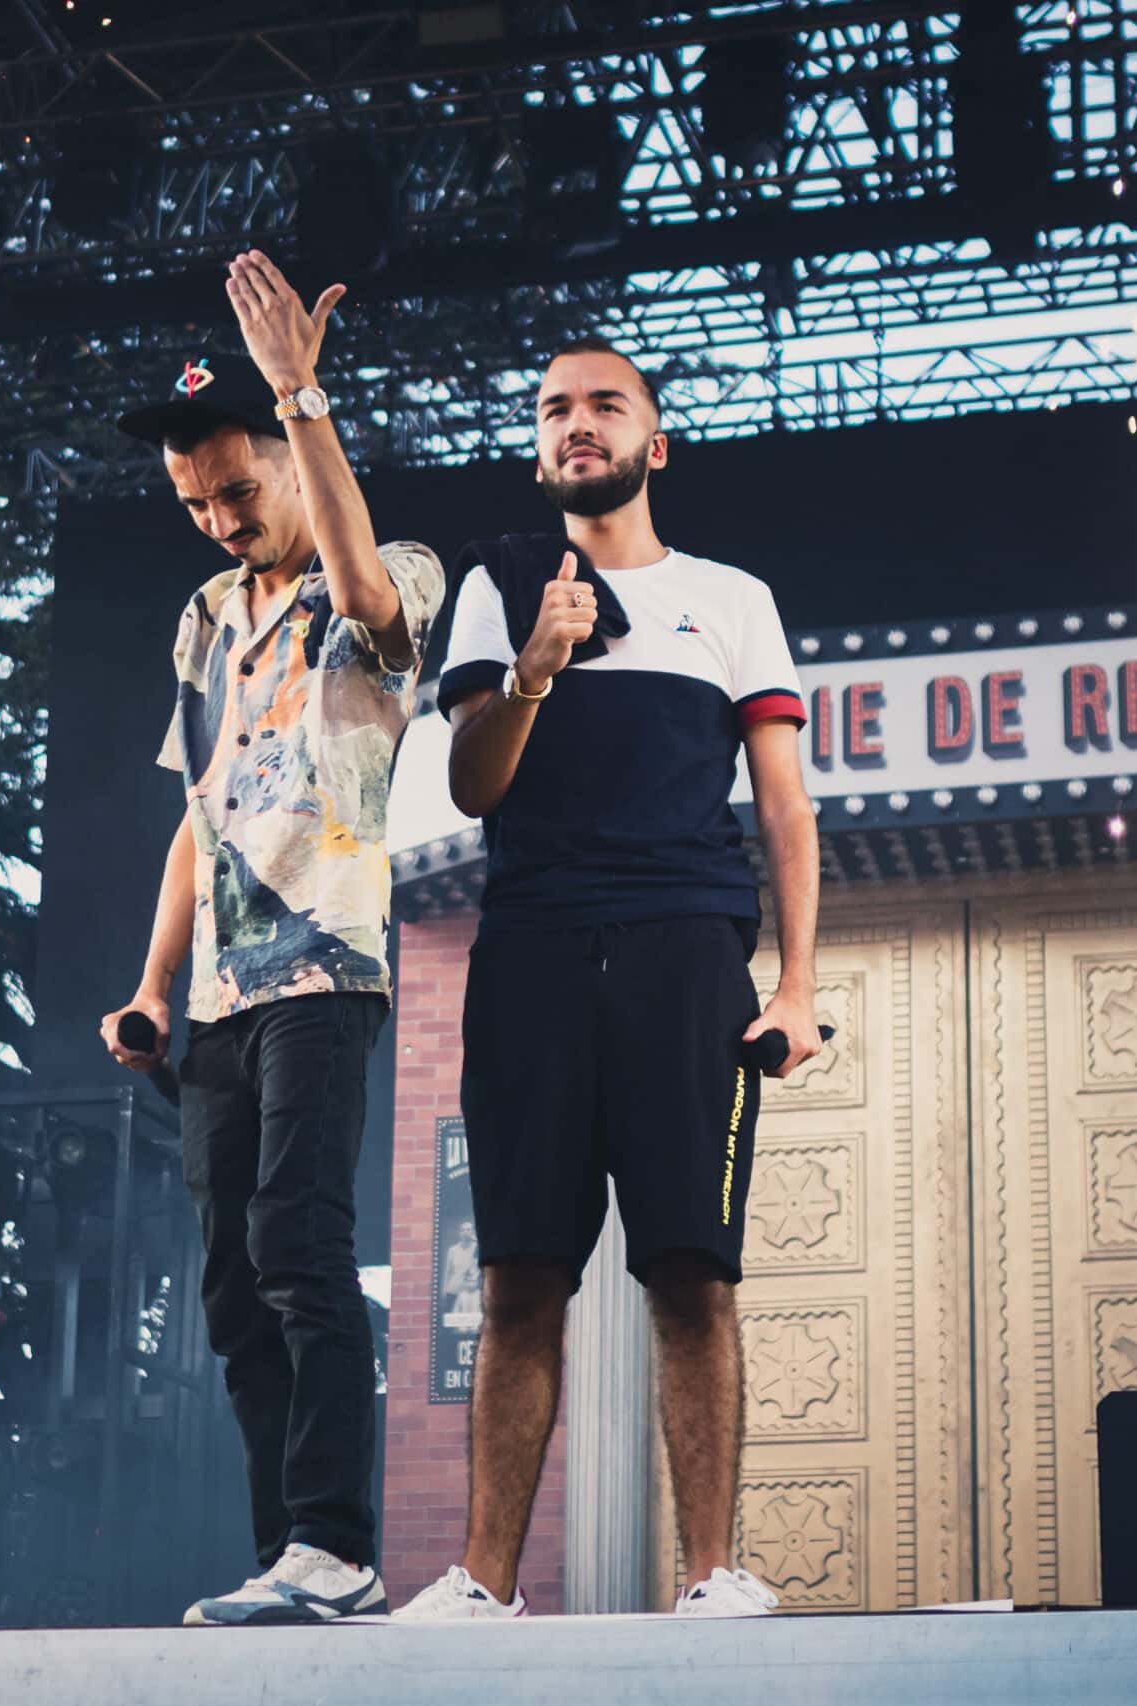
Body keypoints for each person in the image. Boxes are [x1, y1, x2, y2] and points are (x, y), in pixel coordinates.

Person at [394, 336, 823, 1622]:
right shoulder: (496, 586)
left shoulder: (730, 597)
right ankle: (481, 1581)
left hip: (683, 944)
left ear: (655, 441)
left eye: (604, 406)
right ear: (538, 448)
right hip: (528, 948)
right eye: (553, 410)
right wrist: (534, 666)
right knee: (521, 1274)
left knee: (690, 1267)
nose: (576, 424)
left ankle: (711, 1572)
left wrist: (794, 984)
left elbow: (785, 808)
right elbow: (474, 786)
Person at [101, 249, 444, 1626]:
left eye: (240, 491)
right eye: (196, 502)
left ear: (296, 470)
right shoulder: (199, 620)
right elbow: (196, 809)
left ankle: (337, 1543)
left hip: (327, 963)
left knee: (302, 1244)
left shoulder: (382, 566)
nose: (220, 518)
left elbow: (367, 600)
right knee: (235, 1286)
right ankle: (284, 1558)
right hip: (222, 999)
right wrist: (147, 984)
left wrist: (304, 395)